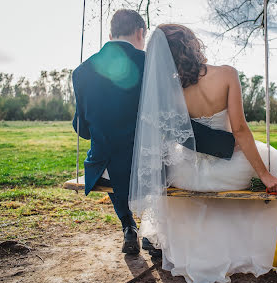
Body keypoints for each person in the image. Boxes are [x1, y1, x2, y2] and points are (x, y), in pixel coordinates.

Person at [130, 25, 277, 283]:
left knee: (190, 189)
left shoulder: (171, 91)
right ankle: (257, 246)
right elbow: (241, 130)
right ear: (191, 45)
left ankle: (205, 250)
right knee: (274, 162)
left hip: (188, 173)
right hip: (228, 169)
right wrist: (264, 174)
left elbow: (176, 136)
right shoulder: (227, 75)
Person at [72, 11, 236, 256]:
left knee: (116, 164)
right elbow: (173, 124)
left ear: (110, 34)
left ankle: (128, 224)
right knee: (172, 163)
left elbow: (82, 129)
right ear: (140, 33)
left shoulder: (81, 71)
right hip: (143, 169)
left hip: (102, 170)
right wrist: (224, 144)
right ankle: (157, 233)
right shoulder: (150, 65)